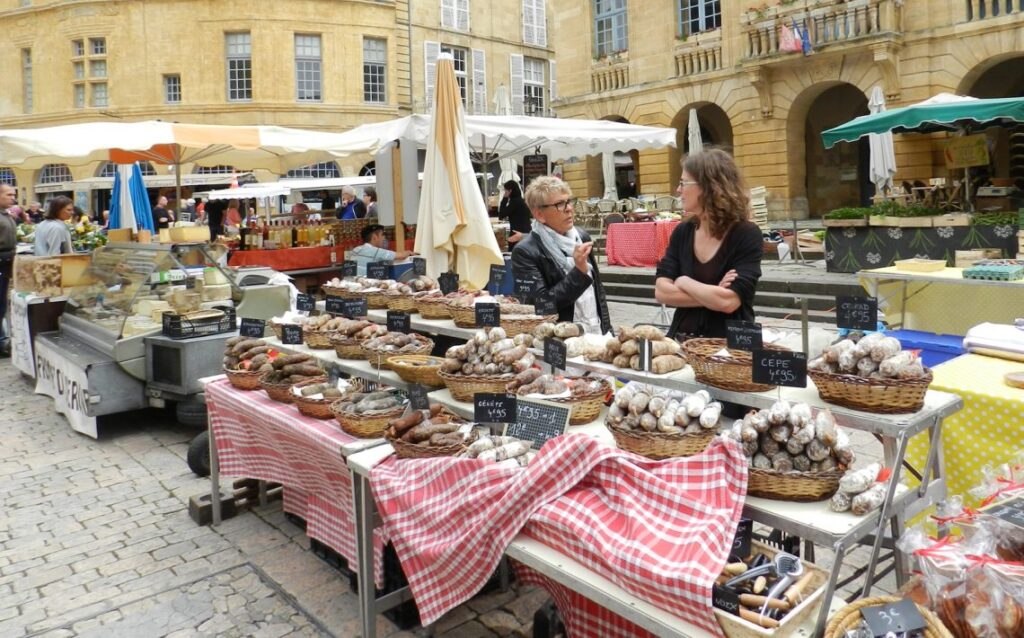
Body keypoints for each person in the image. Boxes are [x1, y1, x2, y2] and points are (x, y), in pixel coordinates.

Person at [655, 149, 763, 340]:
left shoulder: (746, 234)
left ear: (708, 186)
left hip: (731, 348)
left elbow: (729, 302)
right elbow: (662, 292)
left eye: (683, 183)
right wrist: (713, 292)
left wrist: (684, 282)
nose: (678, 190)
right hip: (682, 342)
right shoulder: (683, 232)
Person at [511, 176, 611, 335]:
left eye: (569, 201)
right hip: (560, 339)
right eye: (559, 204)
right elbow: (539, 306)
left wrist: (607, 329)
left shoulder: (581, 237)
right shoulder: (525, 252)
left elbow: (597, 291)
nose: (569, 208)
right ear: (539, 214)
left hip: (596, 332)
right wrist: (579, 273)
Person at [0, 184, 18, 356]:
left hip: (6, 264)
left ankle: (2, 339)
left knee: (1, 305)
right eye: (9, 194)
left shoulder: (6, 214)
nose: (13, 197)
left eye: (14, 194)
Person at [498, 180, 531, 249]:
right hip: (526, 233)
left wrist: (504, 198)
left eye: (505, 190)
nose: (504, 192)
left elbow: (501, 215)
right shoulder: (522, 200)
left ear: (510, 191)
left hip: (517, 234)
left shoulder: (514, 202)